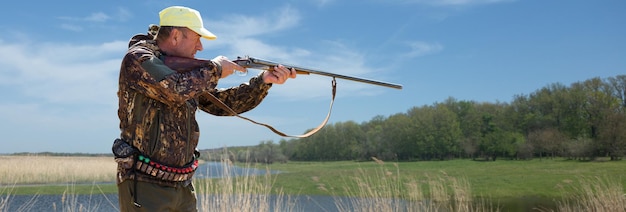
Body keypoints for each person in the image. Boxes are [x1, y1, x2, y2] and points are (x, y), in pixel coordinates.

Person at [113, 6, 296, 212]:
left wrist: (263, 81)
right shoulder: (138, 59)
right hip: (145, 185)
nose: (200, 47)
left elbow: (224, 105)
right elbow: (175, 90)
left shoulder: (189, 75)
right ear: (175, 36)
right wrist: (215, 69)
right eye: (197, 38)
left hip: (182, 186)